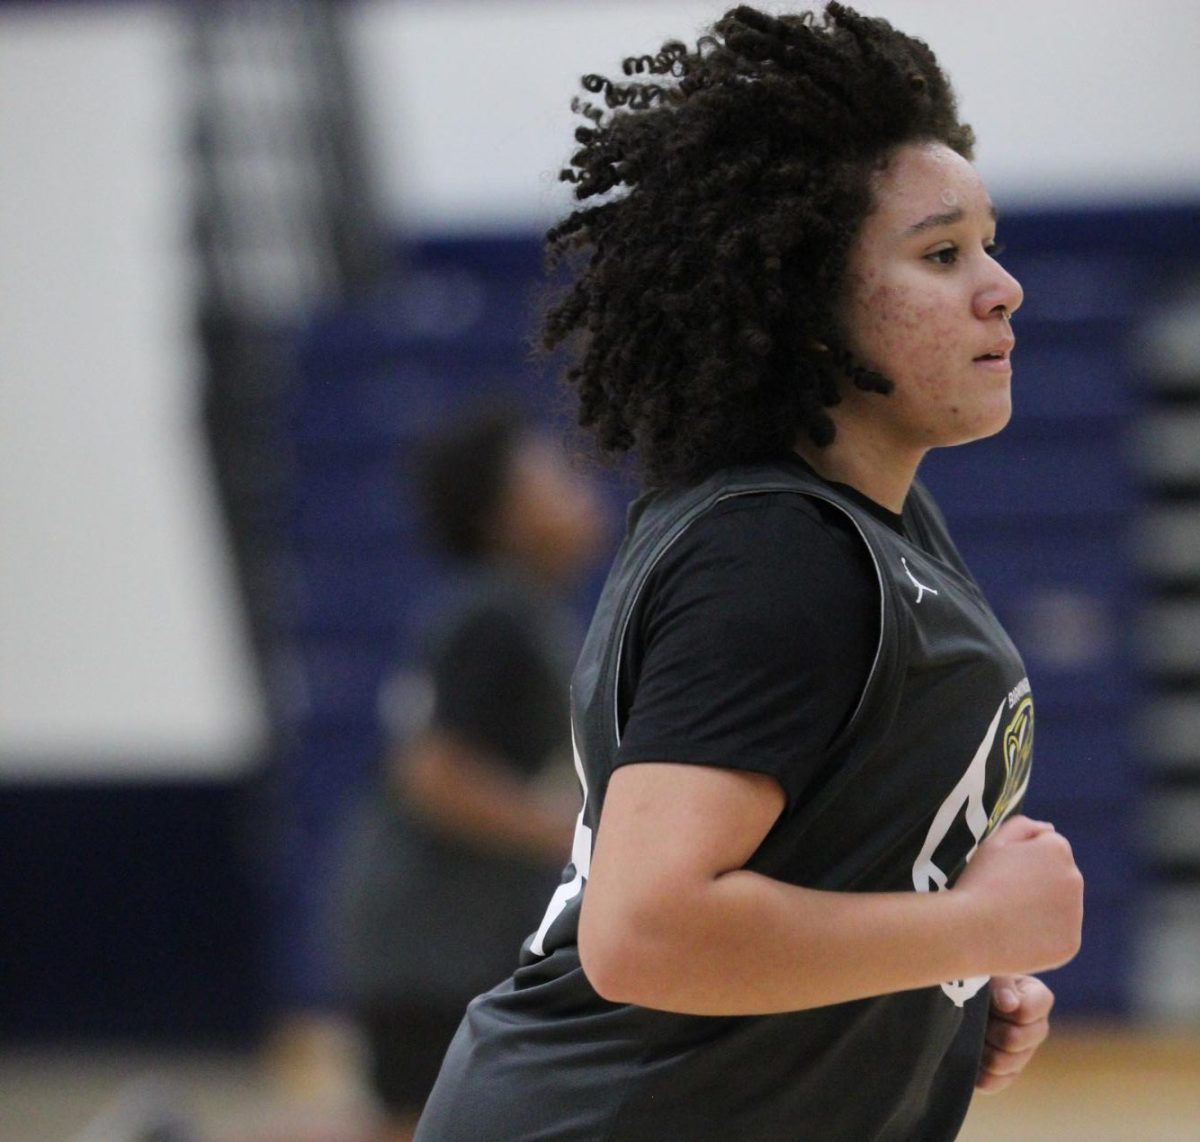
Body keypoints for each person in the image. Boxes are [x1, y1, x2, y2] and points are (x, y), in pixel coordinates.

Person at [415, 5, 1084, 1140]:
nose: (1001, 286)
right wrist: (969, 933)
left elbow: (814, 857)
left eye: (988, 243)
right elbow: (648, 931)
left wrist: (928, 993)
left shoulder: (877, 526)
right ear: (808, 310)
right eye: (941, 254)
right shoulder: (776, 551)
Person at [335, 408, 608, 1140]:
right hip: (431, 941)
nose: (578, 481)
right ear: (505, 517)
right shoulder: (495, 615)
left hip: (436, 936)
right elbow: (434, 773)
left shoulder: (517, 611)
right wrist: (582, 838)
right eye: (549, 471)